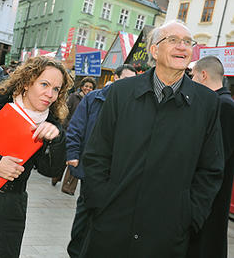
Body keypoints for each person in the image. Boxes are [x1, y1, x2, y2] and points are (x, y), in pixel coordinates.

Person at [79, 20, 224, 258]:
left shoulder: (207, 103)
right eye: (174, 40)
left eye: (188, 42)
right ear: (154, 50)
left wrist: (189, 215)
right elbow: (96, 154)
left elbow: (211, 169)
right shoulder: (121, 92)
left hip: (167, 234)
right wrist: (100, 203)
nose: (183, 47)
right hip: (112, 226)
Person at [0, 56, 72, 257]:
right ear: (28, 82)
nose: (50, 94)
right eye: (44, 84)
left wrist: (55, 140)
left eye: (56, 89)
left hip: (10, 216)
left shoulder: (50, 125)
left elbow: (51, 170)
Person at [67, 64, 137, 257]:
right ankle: (76, 251)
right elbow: (76, 127)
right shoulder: (94, 98)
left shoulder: (133, 103)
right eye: (126, 79)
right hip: (92, 167)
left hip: (117, 171)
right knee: (85, 212)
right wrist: (72, 154)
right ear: (115, 78)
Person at [186, 56, 234, 258]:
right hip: (209, 192)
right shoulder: (220, 102)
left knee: (207, 243)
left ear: (203, 75)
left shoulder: (223, 105)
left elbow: (217, 157)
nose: (192, 81)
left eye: (193, 75)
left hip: (211, 193)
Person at [52, 76, 96, 192]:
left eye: (91, 87)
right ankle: (56, 176)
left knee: (75, 159)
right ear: (81, 87)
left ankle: (68, 187)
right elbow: (66, 112)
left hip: (82, 134)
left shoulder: (93, 101)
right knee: (63, 159)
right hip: (68, 130)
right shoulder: (73, 97)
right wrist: (64, 127)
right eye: (86, 86)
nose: (88, 89)